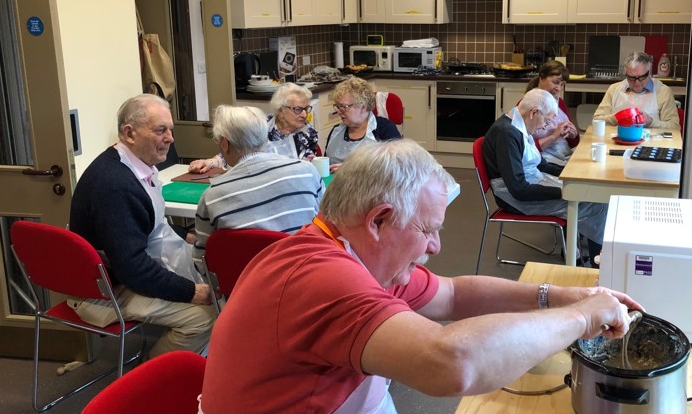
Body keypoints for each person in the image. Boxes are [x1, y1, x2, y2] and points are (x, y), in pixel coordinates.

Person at [200, 139, 640, 414]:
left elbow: (452, 295)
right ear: (378, 221)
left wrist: (559, 296)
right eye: (428, 230)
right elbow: (452, 363)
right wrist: (582, 318)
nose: (436, 247)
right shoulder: (322, 279)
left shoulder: (347, 248)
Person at [68, 94, 215, 357]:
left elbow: (147, 228)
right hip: (106, 291)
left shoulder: (132, 166)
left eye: (170, 129)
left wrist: (190, 236)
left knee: (209, 272)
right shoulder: (115, 185)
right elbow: (132, 267)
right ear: (129, 133)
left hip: (121, 273)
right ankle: (150, 380)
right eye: (161, 130)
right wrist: (191, 292)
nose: (170, 138)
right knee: (205, 317)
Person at [483, 88, 608, 264]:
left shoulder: (520, 123)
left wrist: (571, 173)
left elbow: (541, 164)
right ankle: (598, 267)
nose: (547, 126)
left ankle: (585, 256)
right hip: (514, 199)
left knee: (594, 196)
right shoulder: (507, 133)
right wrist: (565, 192)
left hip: (530, 184)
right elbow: (518, 189)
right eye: (547, 120)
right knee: (597, 208)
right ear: (534, 112)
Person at [193, 105, 324, 248]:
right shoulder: (307, 171)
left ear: (225, 144)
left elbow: (203, 255)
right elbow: (327, 223)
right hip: (304, 264)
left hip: (244, 269)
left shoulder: (213, 196)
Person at [188, 83, 319, 173]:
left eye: (306, 109)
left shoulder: (309, 134)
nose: (304, 114)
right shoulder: (260, 124)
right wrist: (210, 162)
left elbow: (309, 165)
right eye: (298, 109)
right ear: (280, 110)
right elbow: (236, 150)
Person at [325, 77, 401, 172]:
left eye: (344, 107)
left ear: (363, 107)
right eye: (338, 106)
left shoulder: (385, 129)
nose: (339, 112)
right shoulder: (336, 131)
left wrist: (352, 170)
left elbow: (397, 167)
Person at [592, 51, 681, 130]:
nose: (637, 82)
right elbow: (596, 120)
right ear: (626, 73)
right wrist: (617, 117)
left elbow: (674, 127)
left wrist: (651, 122)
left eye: (642, 77)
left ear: (649, 73)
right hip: (618, 141)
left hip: (651, 143)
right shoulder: (614, 89)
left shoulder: (663, 91)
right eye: (631, 78)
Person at [522, 60, 581, 166]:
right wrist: (553, 136)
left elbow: (572, 143)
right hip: (542, 162)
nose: (558, 88)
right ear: (542, 78)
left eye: (562, 84)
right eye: (555, 82)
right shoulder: (528, 105)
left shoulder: (560, 103)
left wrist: (574, 134)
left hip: (563, 157)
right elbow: (524, 149)